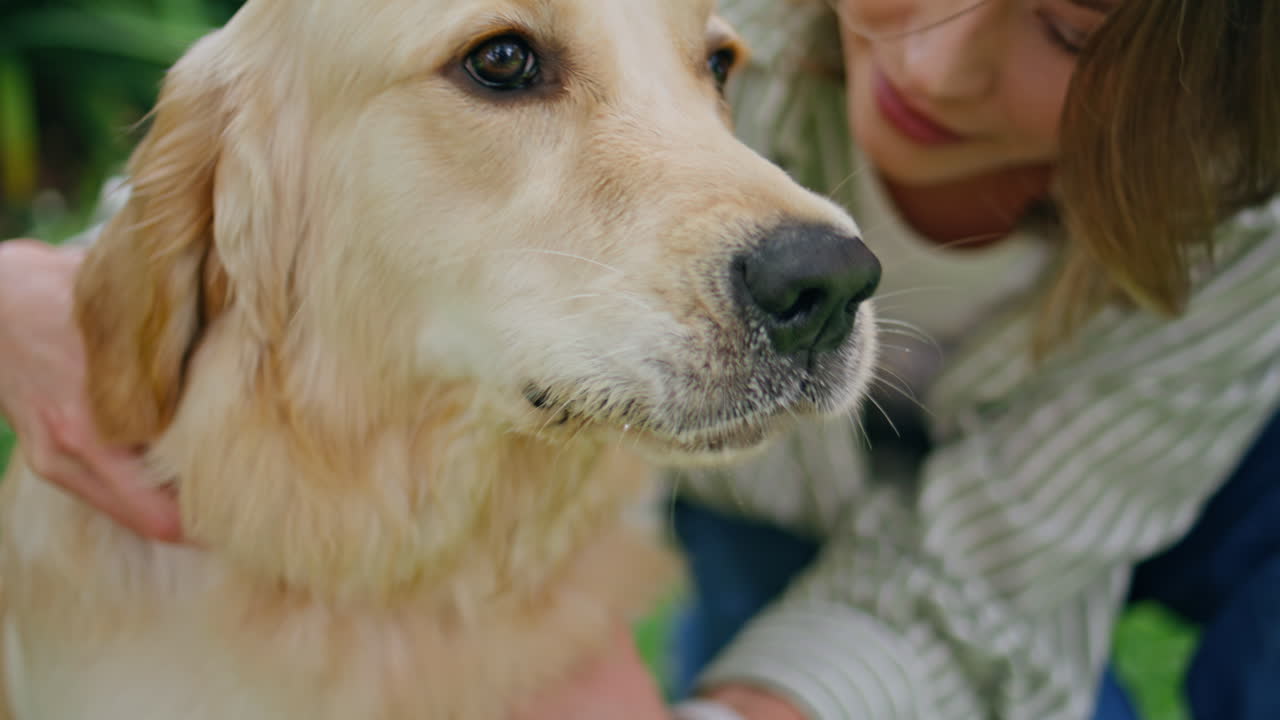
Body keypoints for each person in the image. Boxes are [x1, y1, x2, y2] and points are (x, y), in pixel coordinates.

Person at [1, 0, 1277, 718]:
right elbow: (265, 137)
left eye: (1069, 29)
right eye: (504, 63)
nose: (932, 62)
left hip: (1161, 476)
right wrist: (52, 284)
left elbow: (990, 582)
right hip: (763, 493)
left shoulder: (1248, 223)